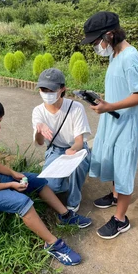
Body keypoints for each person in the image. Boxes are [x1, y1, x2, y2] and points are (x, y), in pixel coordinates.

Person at [0, 95, 92, 266]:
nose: (0, 127)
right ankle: (52, 244)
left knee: (36, 179)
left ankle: (65, 215)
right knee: (23, 202)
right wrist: (10, 184)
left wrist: (14, 173)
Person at [80, 12, 138, 239]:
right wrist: (104, 102)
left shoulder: (130, 57)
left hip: (125, 123)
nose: (95, 46)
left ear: (109, 34)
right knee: (110, 157)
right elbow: (121, 88)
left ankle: (121, 220)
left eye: (96, 40)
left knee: (123, 167)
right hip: (112, 119)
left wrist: (109, 107)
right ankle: (114, 194)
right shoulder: (115, 54)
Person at [32, 68, 92, 213]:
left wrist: (72, 151)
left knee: (77, 166)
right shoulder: (38, 111)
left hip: (75, 149)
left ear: (62, 89)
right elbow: (40, 143)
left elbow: (79, 141)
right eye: (43, 89)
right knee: (51, 187)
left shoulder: (75, 108)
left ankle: (74, 200)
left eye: (51, 90)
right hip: (55, 149)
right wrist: (39, 129)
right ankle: (67, 180)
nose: (47, 93)